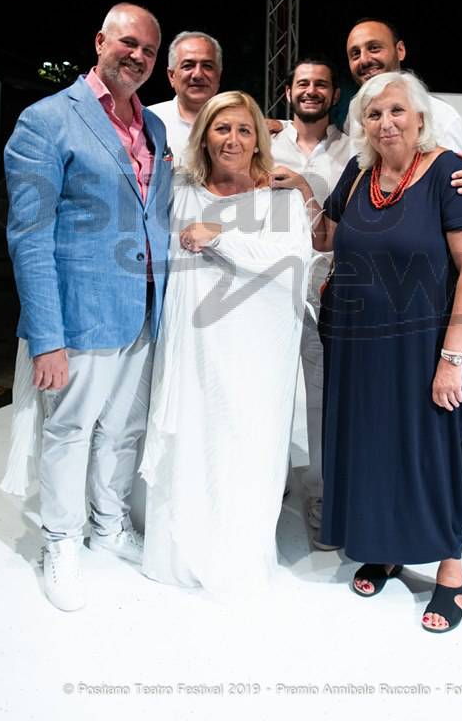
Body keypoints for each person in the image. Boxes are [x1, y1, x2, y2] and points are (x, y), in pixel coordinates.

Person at [273, 70, 462, 633]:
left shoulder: (450, 173)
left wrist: (452, 360)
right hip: (360, 344)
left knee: (435, 452)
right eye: (373, 115)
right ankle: (390, 547)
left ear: (419, 118)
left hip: (427, 344)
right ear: (363, 126)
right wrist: (302, 190)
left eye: (396, 111)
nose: (385, 122)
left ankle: (453, 573)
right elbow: (329, 238)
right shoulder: (359, 173)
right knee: (375, 446)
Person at [3, 2, 172, 612]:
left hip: (146, 308)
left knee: (125, 428)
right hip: (81, 312)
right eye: (129, 43)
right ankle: (61, 538)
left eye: (150, 51)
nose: (138, 56)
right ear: (100, 41)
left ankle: (109, 522)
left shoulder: (152, 127)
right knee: (72, 430)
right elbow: (29, 234)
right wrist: (46, 336)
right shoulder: (47, 120)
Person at [140, 91, 312, 597]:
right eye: (221, 128)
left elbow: (294, 260)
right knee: (192, 437)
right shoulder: (182, 189)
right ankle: (180, 548)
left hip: (254, 352)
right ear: (203, 135)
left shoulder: (280, 196)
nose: (232, 139)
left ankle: (235, 553)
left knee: (245, 443)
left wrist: (220, 236)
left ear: (258, 138)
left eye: (243, 129)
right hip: (193, 345)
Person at [270, 56, 349, 544]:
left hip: (325, 290)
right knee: (269, 391)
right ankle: (270, 479)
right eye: (303, 83)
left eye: (321, 84)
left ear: (335, 95)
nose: (312, 90)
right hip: (267, 290)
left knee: (322, 399)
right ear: (288, 92)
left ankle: (321, 492)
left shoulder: (353, 149)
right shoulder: (265, 139)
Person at [345, 18, 462, 210]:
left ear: (400, 50)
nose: (364, 59)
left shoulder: (440, 115)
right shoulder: (354, 115)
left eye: (374, 48)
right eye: (355, 54)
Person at [148, 30, 222, 163]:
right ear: (172, 76)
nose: (198, 75)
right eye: (188, 66)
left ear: (218, 75)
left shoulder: (241, 124)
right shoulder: (148, 121)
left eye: (207, 66)